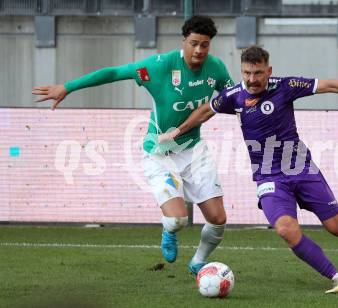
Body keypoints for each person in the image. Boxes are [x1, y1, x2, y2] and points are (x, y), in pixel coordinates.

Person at [159, 45, 338, 293]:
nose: (252, 80)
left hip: (302, 169)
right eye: (247, 73)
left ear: (269, 71)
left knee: (336, 227)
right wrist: (178, 131)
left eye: (258, 73)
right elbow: (204, 111)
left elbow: (331, 85)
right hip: (268, 177)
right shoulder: (234, 95)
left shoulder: (285, 86)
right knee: (286, 229)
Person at [32, 16, 234, 275]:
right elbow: (116, 73)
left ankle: (197, 262)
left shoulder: (216, 68)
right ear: (183, 41)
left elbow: (234, 97)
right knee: (177, 219)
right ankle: (169, 229)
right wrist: (68, 87)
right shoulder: (159, 66)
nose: (198, 50)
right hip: (161, 154)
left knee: (218, 220)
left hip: (194, 151)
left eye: (204, 45)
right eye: (194, 43)